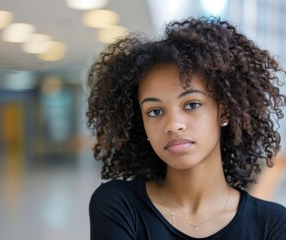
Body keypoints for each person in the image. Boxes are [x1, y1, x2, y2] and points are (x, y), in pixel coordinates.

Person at [86, 16, 286, 239]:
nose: (173, 125)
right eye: (154, 111)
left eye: (192, 104)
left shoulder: (272, 224)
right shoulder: (119, 206)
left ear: (224, 111)